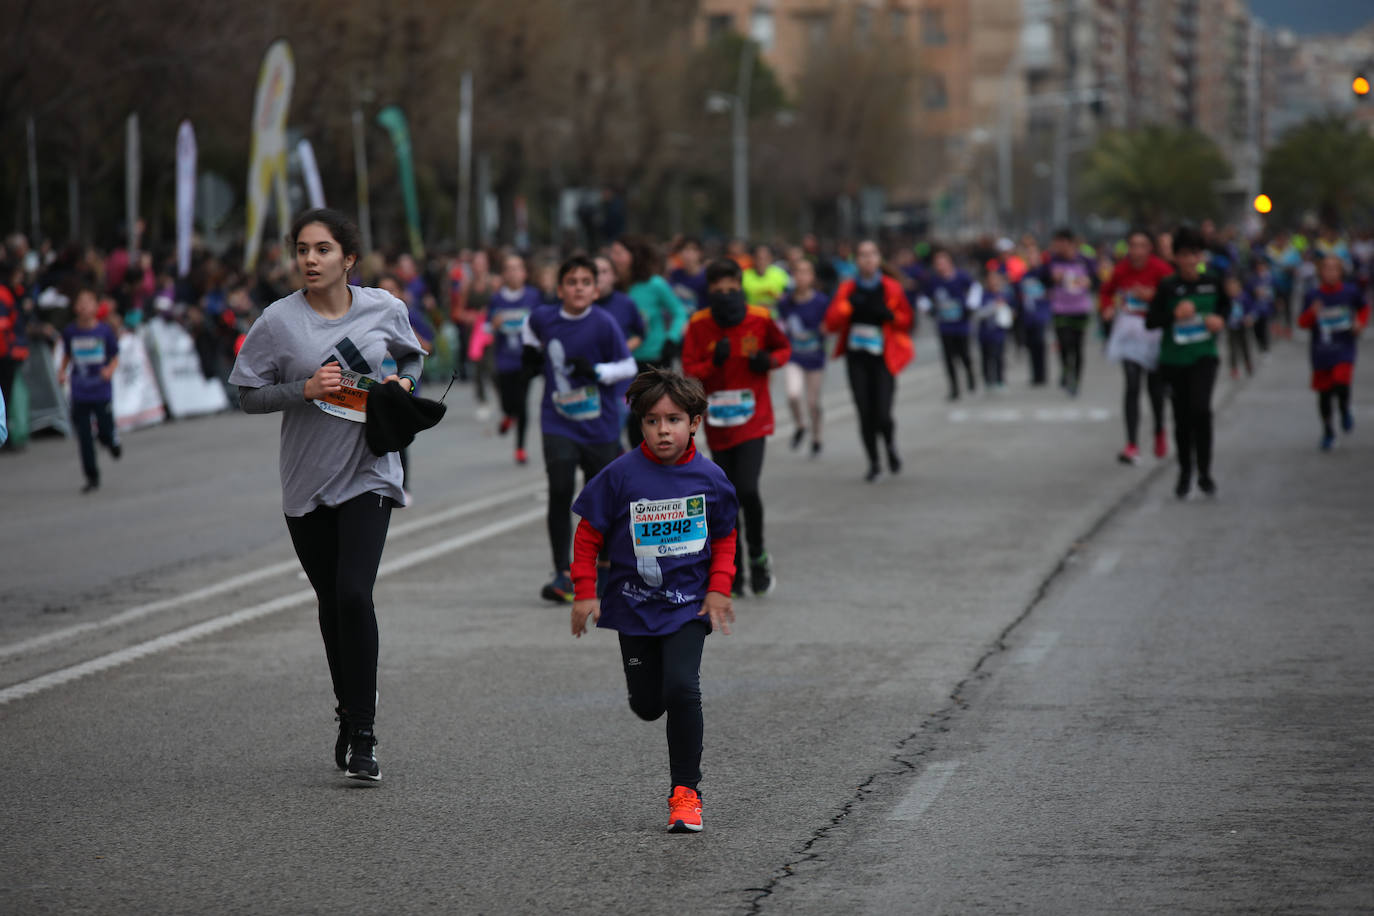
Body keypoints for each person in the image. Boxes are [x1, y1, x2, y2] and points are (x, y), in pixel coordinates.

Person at [228, 207, 426, 782]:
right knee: (331, 602)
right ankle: (349, 709)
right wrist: (303, 388)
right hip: (306, 482)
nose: (309, 260)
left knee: (353, 593)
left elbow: (412, 356)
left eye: (322, 250)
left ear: (348, 259)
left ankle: (363, 732)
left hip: (369, 471)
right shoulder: (278, 322)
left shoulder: (384, 308)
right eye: (302, 250)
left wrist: (402, 384)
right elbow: (247, 394)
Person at [569, 367, 737, 833]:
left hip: (688, 605)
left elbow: (724, 536)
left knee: (683, 688)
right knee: (648, 704)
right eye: (652, 421)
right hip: (633, 606)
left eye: (674, 419)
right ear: (640, 424)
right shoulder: (620, 475)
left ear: (695, 422)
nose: (663, 430)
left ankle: (686, 794)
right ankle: (651, 693)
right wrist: (585, 593)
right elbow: (588, 537)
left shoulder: (711, 478)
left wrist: (719, 586)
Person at [522, 255, 638, 603]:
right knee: (559, 487)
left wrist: (598, 372)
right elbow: (529, 330)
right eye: (572, 282)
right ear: (560, 289)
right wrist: (530, 352)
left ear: (596, 288)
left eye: (586, 282)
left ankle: (603, 566)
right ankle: (562, 571)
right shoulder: (544, 318)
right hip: (557, 420)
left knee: (600, 499)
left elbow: (628, 365)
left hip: (599, 425)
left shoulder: (604, 324)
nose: (579, 288)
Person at [681, 258, 790, 596]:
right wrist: (713, 363)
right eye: (719, 291)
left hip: (753, 419)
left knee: (747, 488)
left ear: (740, 288)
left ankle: (758, 555)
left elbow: (783, 348)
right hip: (718, 423)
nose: (726, 296)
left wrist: (768, 361)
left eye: (732, 290)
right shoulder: (698, 325)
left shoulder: (760, 318)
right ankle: (735, 565)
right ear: (709, 293)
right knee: (726, 497)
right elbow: (689, 371)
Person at [1146, 226, 1228, 499]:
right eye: (1184, 255)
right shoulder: (1168, 286)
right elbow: (1151, 321)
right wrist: (1174, 316)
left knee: (1201, 410)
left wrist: (1220, 321)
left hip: (1204, 356)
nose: (1190, 260)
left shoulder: (1213, 282)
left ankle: (1205, 472)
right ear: (1176, 258)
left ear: (1201, 256)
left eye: (1195, 254)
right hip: (1174, 359)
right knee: (1182, 417)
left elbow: (1226, 308)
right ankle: (1185, 471)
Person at [824, 240, 914, 482]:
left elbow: (908, 321)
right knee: (865, 413)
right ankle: (873, 461)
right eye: (863, 255)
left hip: (884, 358)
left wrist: (890, 316)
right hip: (857, 360)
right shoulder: (848, 289)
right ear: (857, 260)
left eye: (872, 254)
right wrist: (847, 308)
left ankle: (890, 446)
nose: (868, 259)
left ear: (879, 258)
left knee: (883, 413)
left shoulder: (892, 288)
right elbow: (831, 322)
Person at [1100, 229, 1173, 463]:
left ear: (1150, 248)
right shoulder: (1121, 269)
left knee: (1155, 389)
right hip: (1129, 333)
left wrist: (1151, 297)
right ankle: (1131, 443)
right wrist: (1108, 307)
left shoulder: (1161, 269)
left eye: (1142, 245)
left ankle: (1159, 430)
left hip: (1154, 332)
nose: (1137, 251)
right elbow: (1106, 292)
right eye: (1133, 245)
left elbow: (1174, 295)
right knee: (1132, 385)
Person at [1296, 255, 1370, 451]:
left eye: (1334, 269)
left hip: (1344, 346)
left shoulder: (1350, 291)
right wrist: (1312, 312)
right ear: (1320, 272)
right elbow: (1301, 323)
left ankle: (1345, 409)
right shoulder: (1313, 295)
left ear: (1340, 272)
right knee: (1325, 395)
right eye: (1327, 269)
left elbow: (1364, 308)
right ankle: (1328, 430)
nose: (1330, 273)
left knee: (1341, 381)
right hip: (1321, 351)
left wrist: (1360, 323)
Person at [58, 287, 122, 493]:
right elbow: (67, 355)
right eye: (80, 302)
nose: (84, 307)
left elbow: (114, 356)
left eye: (88, 302)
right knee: (84, 436)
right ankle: (91, 476)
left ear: (96, 307)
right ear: (76, 307)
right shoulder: (70, 332)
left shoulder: (104, 331)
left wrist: (109, 370)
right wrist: (61, 372)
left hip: (101, 390)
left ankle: (111, 440)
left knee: (104, 429)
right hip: (80, 390)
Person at [487, 253, 542, 464]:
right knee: (508, 401)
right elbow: (487, 326)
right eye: (509, 268)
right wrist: (495, 324)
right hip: (504, 358)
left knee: (523, 403)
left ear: (524, 273)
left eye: (517, 268)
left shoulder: (533, 296)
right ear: (504, 273)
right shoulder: (497, 298)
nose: (513, 272)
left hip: (525, 358)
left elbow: (541, 322)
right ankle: (508, 415)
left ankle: (520, 448)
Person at [776, 258, 830, 456]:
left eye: (806, 272)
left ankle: (817, 437)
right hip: (794, 357)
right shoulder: (785, 302)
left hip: (815, 358)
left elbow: (831, 324)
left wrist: (828, 330)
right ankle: (800, 425)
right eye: (798, 272)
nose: (801, 276)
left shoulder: (822, 301)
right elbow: (780, 325)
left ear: (812, 276)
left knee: (813, 402)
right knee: (793, 394)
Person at [1035, 228, 1098, 396]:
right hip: (1060, 308)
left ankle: (1076, 379)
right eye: (1055, 244)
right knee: (1064, 342)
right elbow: (1040, 278)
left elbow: (1098, 278)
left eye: (1060, 243)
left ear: (1070, 243)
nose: (1057, 247)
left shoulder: (1085, 260)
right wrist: (1051, 280)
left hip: (1080, 309)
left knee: (1077, 346)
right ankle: (1065, 368)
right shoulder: (1052, 261)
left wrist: (1089, 282)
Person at [612, 236, 687, 374]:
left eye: (619, 253)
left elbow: (679, 312)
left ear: (634, 256)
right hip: (620, 360)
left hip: (654, 359)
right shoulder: (610, 288)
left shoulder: (654, 284)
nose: (614, 258)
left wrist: (672, 338)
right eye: (612, 253)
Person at [920, 248, 978, 400]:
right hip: (944, 325)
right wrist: (929, 309)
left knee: (964, 355)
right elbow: (923, 297)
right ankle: (954, 388)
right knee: (948, 358)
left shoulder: (961, 277)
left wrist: (970, 306)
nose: (940, 266)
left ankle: (971, 377)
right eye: (937, 263)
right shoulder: (933, 281)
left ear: (949, 262)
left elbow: (975, 288)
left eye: (943, 262)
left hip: (961, 324)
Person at [1017, 239, 1051, 386]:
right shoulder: (1025, 276)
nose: (1031, 258)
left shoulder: (1043, 273)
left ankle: (1042, 374)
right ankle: (1035, 375)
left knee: (1039, 343)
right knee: (1030, 345)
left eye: (1033, 255)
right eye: (1028, 255)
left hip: (1040, 314)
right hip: (1028, 316)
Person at [977, 270, 1015, 390]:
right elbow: (979, 313)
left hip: (999, 333)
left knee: (999, 356)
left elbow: (1011, 312)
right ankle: (988, 380)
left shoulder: (1005, 295)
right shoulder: (983, 296)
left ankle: (1000, 379)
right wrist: (994, 306)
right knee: (986, 358)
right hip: (985, 334)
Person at [741, 243, 790, 313]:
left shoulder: (781, 275)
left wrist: (780, 297)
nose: (762, 262)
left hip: (776, 317)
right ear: (753, 259)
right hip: (754, 316)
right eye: (759, 258)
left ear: (771, 259)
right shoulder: (744, 276)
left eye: (765, 258)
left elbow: (791, 298)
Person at [1223, 274, 1255, 380]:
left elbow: (1251, 309)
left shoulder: (1244, 297)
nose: (1232, 288)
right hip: (1231, 326)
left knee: (1244, 345)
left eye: (1234, 286)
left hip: (1242, 325)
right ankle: (1234, 368)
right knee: (1232, 348)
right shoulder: (1226, 299)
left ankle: (1248, 363)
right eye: (1230, 287)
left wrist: (1249, 317)